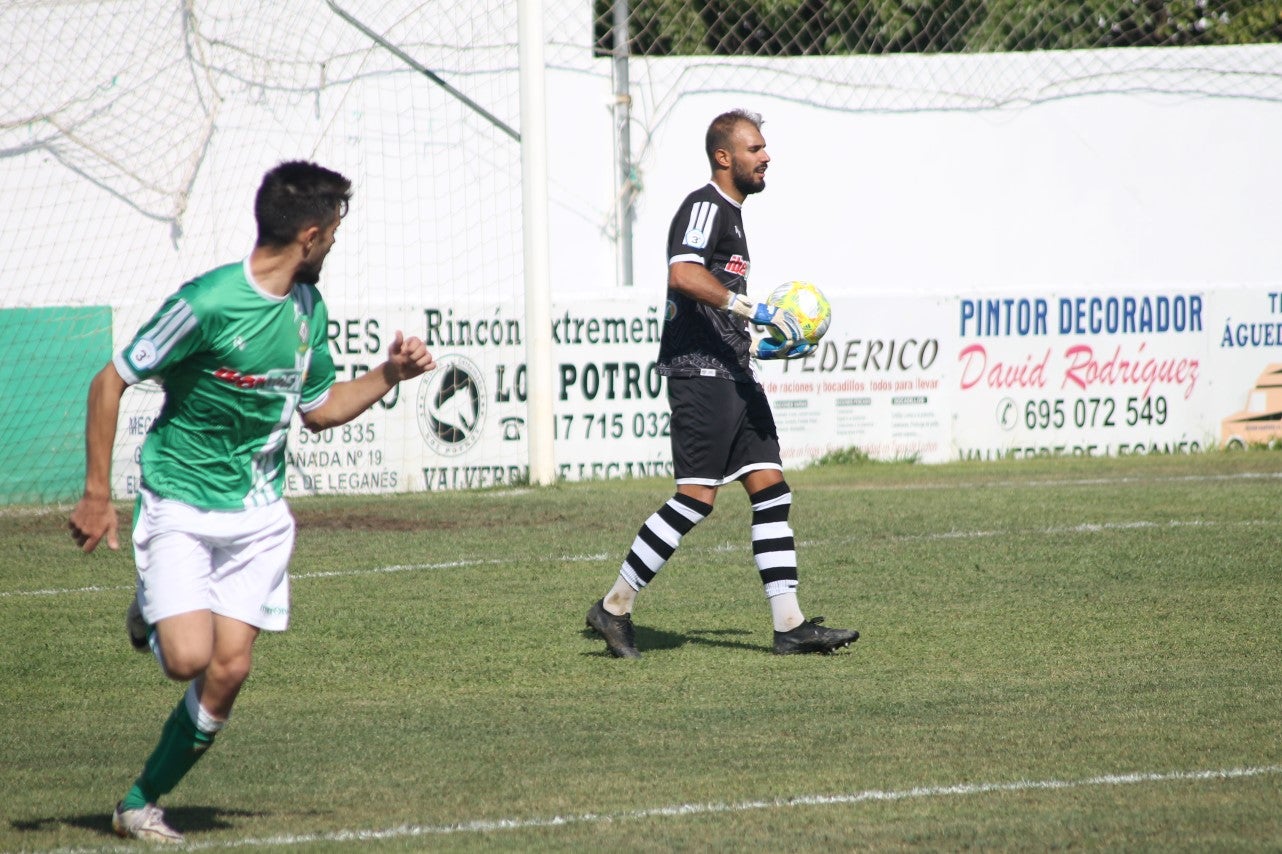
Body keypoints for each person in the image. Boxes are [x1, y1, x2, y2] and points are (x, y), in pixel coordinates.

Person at [68, 160, 436, 844]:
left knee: (229, 668)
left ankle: (139, 803)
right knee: (185, 659)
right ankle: (152, 607)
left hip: (258, 515)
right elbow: (110, 381)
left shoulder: (307, 311)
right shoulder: (207, 303)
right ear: (308, 234)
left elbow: (321, 411)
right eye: (332, 233)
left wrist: (391, 373)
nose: (334, 244)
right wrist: (97, 495)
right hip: (180, 499)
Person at [585, 109, 859, 659]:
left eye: (764, 147)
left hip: (735, 371)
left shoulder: (734, 216)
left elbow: (715, 298)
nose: (766, 156)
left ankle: (790, 625)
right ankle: (613, 607)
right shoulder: (704, 206)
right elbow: (683, 274)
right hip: (700, 375)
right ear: (724, 157)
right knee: (695, 500)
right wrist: (752, 309)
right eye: (756, 148)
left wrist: (757, 341)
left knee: (771, 491)